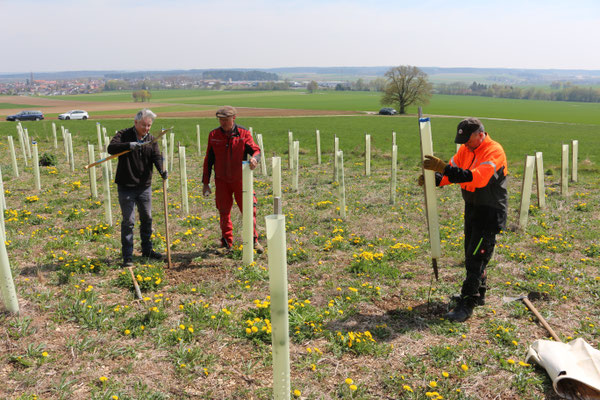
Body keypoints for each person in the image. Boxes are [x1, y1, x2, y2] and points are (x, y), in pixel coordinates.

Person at [421, 117, 508, 322]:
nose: (465, 145)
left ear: (480, 134)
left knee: (475, 259)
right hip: (472, 207)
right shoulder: (465, 150)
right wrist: (436, 180)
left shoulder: (494, 151)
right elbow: (452, 171)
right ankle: (480, 294)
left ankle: (467, 303)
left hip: (490, 210)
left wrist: (443, 169)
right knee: (472, 252)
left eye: (467, 140)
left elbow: (477, 178)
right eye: (462, 142)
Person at [107, 109, 167, 267]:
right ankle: (127, 256)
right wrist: (128, 145)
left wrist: (162, 170)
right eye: (144, 125)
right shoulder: (124, 134)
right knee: (129, 221)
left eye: (149, 126)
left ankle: (147, 249)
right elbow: (111, 148)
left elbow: (156, 157)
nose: (146, 129)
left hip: (144, 186)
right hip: (126, 186)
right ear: (136, 122)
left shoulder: (151, 139)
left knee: (147, 218)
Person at [202, 106, 263, 253]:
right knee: (223, 211)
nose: (223, 123)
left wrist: (255, 159)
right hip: (221, 180)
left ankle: (253, 241)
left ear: (233, 118)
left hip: (241, 180)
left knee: (249, 210)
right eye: (220, 120)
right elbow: (208, 160)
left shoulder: (243, 133)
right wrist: (206, 183)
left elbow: (256, 150)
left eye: (226, 120)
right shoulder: (214, 135)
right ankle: (226, 244)